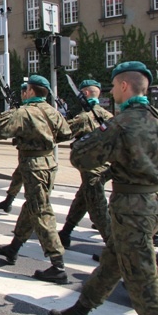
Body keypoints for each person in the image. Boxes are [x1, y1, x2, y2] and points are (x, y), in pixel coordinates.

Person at [49, 61, 158, 315]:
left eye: (113, 86)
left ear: (124, 86)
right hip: (153, 201)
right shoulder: (156, 118)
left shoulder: (121, 124)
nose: (111, 91)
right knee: (112, 262)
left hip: (132, 208)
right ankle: (80, 310)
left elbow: (82, 158)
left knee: (141, 275)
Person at [0, 75, 73, 284]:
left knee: (40, 211)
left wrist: (14, 109)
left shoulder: (24, 112)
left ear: (30, 91)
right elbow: (65, 133)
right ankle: (14, 248)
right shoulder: (52, 112)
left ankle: (57, 264)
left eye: (25, 89)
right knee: (32, 207)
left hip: (33, 166)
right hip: (49, 164)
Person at [58, 79, 113, 249]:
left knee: (98, 210)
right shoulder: (109, 116)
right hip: (107, 167)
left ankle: (113, 248)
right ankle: (66, 232)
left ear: (86, 94)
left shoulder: (84, 118)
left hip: (92, 169)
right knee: (82, 199)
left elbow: (62, 133)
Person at [0, 82, 29, 213]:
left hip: (32, 156)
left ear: (26, 93)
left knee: (36, 196)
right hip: (27, 154)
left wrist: (12, 112)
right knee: (17, 176)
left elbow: (2, 131)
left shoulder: (24, 111)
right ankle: (8, 201)